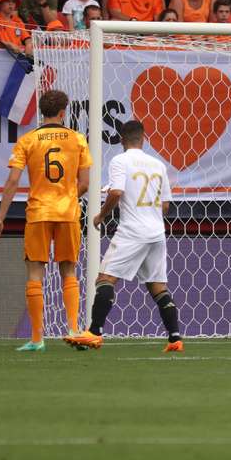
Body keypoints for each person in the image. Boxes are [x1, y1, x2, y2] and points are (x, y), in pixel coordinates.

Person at [65, 120, 183, 353]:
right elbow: (166, 206)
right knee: (158, 286)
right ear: (144, 138)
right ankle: (175, 338)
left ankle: (94, 333)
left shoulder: (119, 160)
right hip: (156, 232)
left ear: (121, 140)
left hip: (132, 231)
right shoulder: (158, 164)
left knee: (105, 279)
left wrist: (101, 215)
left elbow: (117, 191)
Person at [0, 90, 92, 352]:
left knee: (35, 274)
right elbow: (85, 183)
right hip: (68, 213)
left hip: (38, 214)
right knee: (68, 270)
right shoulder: (78, 139)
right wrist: (67, 196)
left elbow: (12, 180)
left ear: (42, 113)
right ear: (62, 113)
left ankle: (37, 339)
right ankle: (73, 329)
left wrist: (0, 218)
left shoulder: (27, 140)